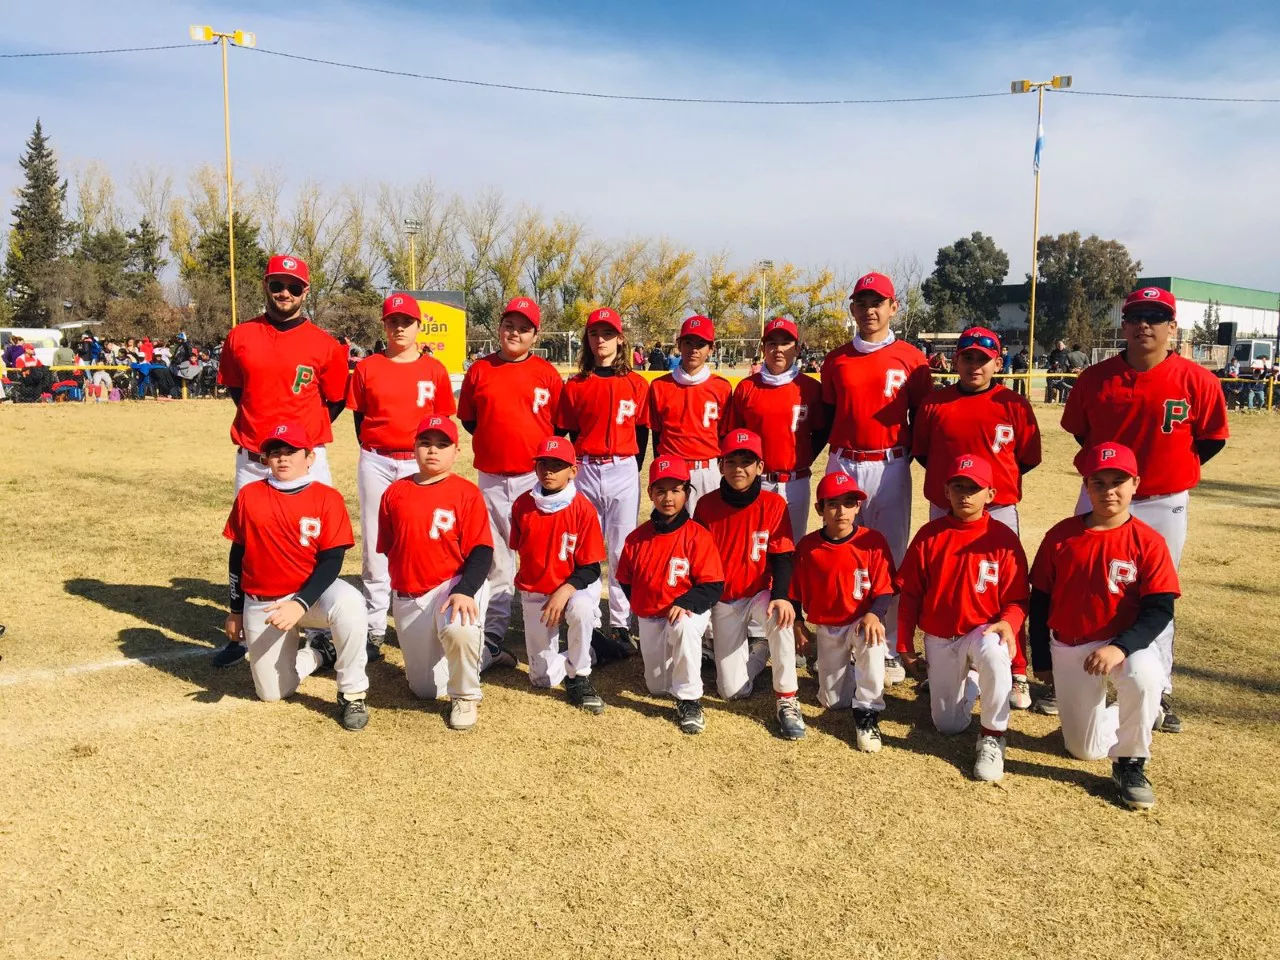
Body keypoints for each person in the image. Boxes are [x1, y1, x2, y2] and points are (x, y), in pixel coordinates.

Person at [1059, 286, 1228, 732]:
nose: (1144, 325)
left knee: (1157, 592)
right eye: (1135, 316)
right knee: (1087, 583)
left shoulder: (1198, 380)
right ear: (1124, 324)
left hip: (1164, 499)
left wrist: (1163, 470)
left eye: (1155, 316)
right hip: (1102, 494)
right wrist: (1113, 479)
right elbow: (1081, 433)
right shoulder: (1095, 379)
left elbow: (1211, 440)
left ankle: (1159, 688)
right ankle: (1077, 675)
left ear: (1173, 326)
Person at [211, 255, 351, 669]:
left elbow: (336, 400)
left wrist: (299, 447)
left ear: (305, 291)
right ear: (266, 286)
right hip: (254, 457)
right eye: (277, 285)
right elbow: (238, 390)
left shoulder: (325, 344)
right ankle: (246, 623)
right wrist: (268, 440)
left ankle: (322, 632)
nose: (284, 293)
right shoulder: (240, 336)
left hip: (307, 460)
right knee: (251, 542)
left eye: (293, 286)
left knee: (314, 541)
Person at [1029, 442, 1178, 810]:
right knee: (1082, 749)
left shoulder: (1149, 541)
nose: (1109, 490)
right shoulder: (1061, 535)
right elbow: (1040, 601)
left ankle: (1130, 763)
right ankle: (1145, 711)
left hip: (1123, 642)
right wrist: (1042, 660)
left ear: (1135, 484)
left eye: (1119, 481)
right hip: (1071, 644)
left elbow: (1159, 610)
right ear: (1086, 486)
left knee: (1144, 677)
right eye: (1099, 482)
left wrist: (1119, 647)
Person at [911, 326, 1041, 709]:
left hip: (998, 509)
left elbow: (1028, 458)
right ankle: (950, 665)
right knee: (946, 586)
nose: (974, 365)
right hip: (946, 508)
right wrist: (955, 493)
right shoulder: (935, 404)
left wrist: (989, 491)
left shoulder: (1015, 405)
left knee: (1007, 589)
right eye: (967, 357)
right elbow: (923, 454)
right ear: (956, 360)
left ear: (997, 363)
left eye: (983, 359)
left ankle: (1016, 670)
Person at [820, 272, 932, 687]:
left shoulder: (912, 358)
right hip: (845, 460)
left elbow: (922, 417)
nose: (870, 310)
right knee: (841, 550)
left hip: (889, 464)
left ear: (893, 307)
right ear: (852, 308)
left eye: (878, 302)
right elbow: (830, 414)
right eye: (863, 302)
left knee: (888, 557)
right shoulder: (836, 359)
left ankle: (888, 647)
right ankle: (842, 640)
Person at [221, 423, 370, 731]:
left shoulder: (327, 497)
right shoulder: (250, 495)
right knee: (273, 694)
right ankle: (319, 652)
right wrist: (235, 610)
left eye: (291, 451)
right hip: (265, 602)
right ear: (265, 459)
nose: (283, 458)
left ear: (309, 457)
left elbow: (332, 561)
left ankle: (352, 692)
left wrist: (300, 603)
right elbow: (238, 555)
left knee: (351, 602)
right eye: (275, 452)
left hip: (311, 595)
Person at [896, 454, 1029, 782]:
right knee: (948, 725)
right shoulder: (930, 535)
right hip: (941, 636)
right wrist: (903, 644)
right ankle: (970, 681)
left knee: (995, 649)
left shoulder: (1003, 539)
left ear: (991, 494)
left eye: (974, 488)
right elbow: (910, 594)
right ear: (946, 490)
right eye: (959, 486)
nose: (966, 494)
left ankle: (993, 735)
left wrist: (1009, 623)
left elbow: (1016, 599)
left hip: (982, 631)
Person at [345, 294, 455, 661]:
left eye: (406, 321)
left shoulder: (434, 370)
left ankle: (427, 619)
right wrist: (379, 448)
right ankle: (376, 626)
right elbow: (360, 421)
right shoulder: (367, 367)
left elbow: (443, 426)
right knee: (376, 543)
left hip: (418, 463)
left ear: (418, 325)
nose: (400, 328)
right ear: (385, 325)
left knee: (422, 539)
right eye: (393, 321)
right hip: (376, 459)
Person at [458, 296, 563, 666]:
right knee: (496, 560)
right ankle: (494, 633)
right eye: (509, 325)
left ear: (535, 335)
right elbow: (470, 421)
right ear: (500, 327)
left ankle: (544, 627)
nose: (514, 333)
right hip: (490, 476)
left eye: (523, 328)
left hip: (534, 480)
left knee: (539, 556)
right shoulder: (480, 370)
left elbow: (559, 428)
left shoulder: (547, 374)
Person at [378, 415, 494, 732]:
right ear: (414, 448)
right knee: (425, 690)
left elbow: (483, 551)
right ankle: (485, 656)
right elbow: (391, 547)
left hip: (453, 585)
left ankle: (466, 696)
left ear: (456, 452)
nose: (433, 450)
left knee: (461, 627)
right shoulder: (394, 493)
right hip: (409, 593)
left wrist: (465, 589)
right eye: (426, 443)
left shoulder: (466, 493)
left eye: (443, 445)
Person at [693, 429, 805, 740]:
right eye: (732, 461)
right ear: (720, 465)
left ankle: (787, 699)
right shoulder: (706, 505)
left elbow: (784, 557)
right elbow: (697, 557)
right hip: (724, 600)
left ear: (760, 466)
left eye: (747, 461)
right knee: (732, 691)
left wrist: (782, 597)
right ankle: (760, 651)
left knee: (781, 617)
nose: (739, 468)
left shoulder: (774, 504)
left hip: (759, 593)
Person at [556, 306, 649, 653]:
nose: (601, 340)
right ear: (587, 340)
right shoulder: (577, 385)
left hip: (623, 466)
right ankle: (590, 619)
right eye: (595, 334)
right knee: (588, 548)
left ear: (620, 339)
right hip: (586, 467)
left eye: (608, 334)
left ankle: (621, 622)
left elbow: (642, 436)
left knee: (622, 548)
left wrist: (630, 468)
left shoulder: (637, 384)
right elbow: (566, 430)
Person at [615, 457, 725, 735]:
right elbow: (627, 582)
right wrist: (647, 603)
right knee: (658, 687)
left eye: (676, 490)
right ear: (650, 493)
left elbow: (712, 585)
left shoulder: (698, 535)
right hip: (652, 616)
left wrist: (685, 602)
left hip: (686, 612)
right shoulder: (637, 538)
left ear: (687, 492)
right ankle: (692, 659)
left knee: (684, 626)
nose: (668, 498)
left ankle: (689, 699)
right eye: (661, 490)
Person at [789, 472, 896, 753]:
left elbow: (885, 588)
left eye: (849, 503)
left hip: (861, 621)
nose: (841, 511)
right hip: (829, 627)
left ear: (858, 507)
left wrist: (875, 614)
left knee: (872, 639)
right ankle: (857, 669)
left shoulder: (873, 540)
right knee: (834, 702)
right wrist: (799, 623)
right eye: (832, 504)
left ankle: (868, 714)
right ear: (819, 509)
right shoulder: (809, 547)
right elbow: (794, 592)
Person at [510, 436, 608, 714]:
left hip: (572, 587)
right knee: (541, 679)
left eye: (558, 464)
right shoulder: (522, 505)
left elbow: (590, 568)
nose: (549, 470)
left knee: (582, 609)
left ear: (573, 470)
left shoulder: (583, 508)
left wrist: (563, 591)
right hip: (536, 590)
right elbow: (520, 550)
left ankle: (580, 675)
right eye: (543, 463)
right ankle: (592, 650)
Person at [726, 317, 829, 539]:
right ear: (763, 348)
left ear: (797, 349)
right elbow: (735, 437)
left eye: (785, 343)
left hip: (796, 482)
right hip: (757, 482)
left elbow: (821, 431)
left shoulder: (810, 388)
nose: (778, 349)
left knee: (792, 548)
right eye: (772, 343)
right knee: (754, 548)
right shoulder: (747, 388)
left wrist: (805, 456)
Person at [648, 316, 733, 510]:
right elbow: (657, 435)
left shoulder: (722, 388)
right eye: (688, 342)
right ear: (679, 345)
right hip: (671, 471)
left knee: (708, 532)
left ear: (711, 349)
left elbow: (724, 435)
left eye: (701, 344)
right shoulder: (660, 386)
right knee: (668, 533)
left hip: (706, 470)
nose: (694, 349)